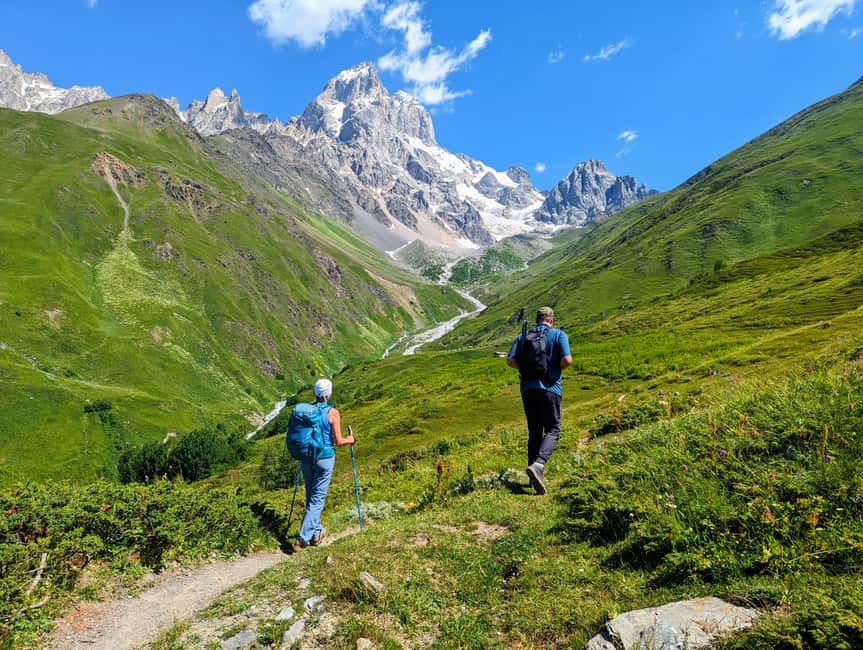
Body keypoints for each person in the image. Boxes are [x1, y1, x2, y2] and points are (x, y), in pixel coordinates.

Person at [507, 307, 572, 494]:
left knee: (534, 431)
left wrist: (526, 369)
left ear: (537, 320)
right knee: (553, 428)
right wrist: (554, 369)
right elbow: (567, 360)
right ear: (551, 320)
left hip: (528, 389)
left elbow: (511, 361)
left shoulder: (523, 336)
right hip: (551, 388)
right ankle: (539, 465)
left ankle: (532, 479)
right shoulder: (558, 335)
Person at [294, 378, 354, 551]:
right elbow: (339, 441)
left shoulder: (308, 411)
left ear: (315, 393)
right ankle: (302, 539)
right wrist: (351, 439)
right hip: (324, 459)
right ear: (328, 394)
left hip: (307, 458)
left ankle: (316, 533)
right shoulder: (333, 412)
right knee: (317, 498)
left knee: (311, 495)